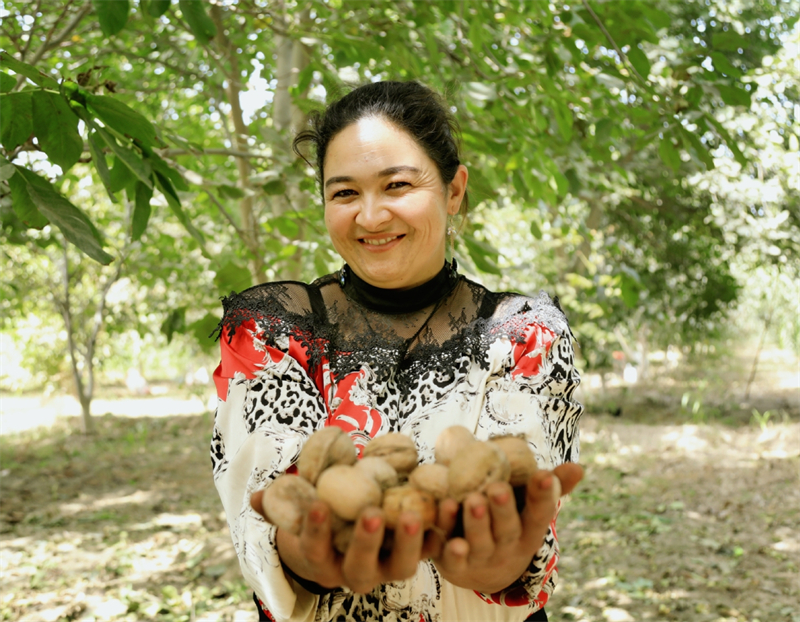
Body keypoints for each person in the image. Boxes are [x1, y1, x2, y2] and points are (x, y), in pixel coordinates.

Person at [211, 80, 584, 622]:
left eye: (397, 185)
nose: (370, 216)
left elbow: (517, 531)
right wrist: (309, 550)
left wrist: (493, 559)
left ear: (454, 190)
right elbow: (266, 514)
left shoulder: (524, 334)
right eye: (344, 193)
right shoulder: (272, 328)